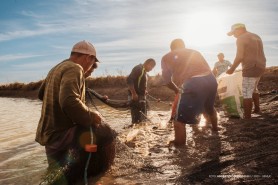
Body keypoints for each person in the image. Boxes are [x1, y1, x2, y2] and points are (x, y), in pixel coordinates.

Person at [36, 40, 104, 183]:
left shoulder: (56, 68)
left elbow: (41, 94)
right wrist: (92, 115)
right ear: (88, 58)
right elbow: (69, 101)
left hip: (49, 134)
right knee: (102, 133)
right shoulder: (75, 68)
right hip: (63, 133)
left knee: (56, 175)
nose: (90, 68)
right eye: (92, 63)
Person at [161, 38, 218, 146]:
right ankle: (215, 129)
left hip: (193, 82)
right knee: (209, 108)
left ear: (171, 48)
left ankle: (180, 146)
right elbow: (208, 69)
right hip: (211, 80)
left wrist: (177, 90)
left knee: (179, 120)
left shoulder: (166, 57)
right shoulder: (195, 52)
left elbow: (167, 81)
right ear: (183, 45)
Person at [226, 23, 266, 119]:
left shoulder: (241, 38)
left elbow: (240, 56)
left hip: (250, 67)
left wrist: (232, 69)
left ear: (239, 29)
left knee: (247, 93)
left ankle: (247, 117)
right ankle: (257, 109)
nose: (234, 36)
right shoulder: (256, 36)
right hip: (261, 66)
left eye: (234, 33)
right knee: (254, 88)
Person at [127, 58, 156, 124]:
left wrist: (144, 91)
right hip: (136, 97)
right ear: (147, 63)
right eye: (151, 66)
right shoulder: (138, 68)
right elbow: (129, 80)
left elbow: (139, 83)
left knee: (143, 119)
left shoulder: (144, 71)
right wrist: (133, 94)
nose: (151, 69)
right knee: (136, 120)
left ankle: (141, 133)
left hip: (141, 97)